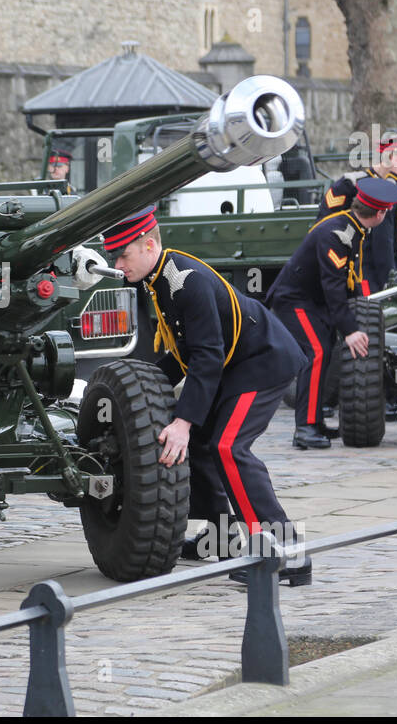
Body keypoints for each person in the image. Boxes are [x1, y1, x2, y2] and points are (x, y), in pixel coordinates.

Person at [104, 206, 311, 585]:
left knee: (228, 447)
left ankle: (288, 552)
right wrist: (138, 384)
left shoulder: (185, 280)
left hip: (263, 362)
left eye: (123, 255)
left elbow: (208, 356)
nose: (117, 265)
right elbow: (185, 353)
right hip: (236, 364)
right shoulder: (161, 279)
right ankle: (225, 537)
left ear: (149, 245)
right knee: (199, 446)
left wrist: (182, 422)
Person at [267, 177, 397, 449]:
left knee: (325, 351)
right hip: (294, 300)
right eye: (385, 212)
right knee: (315, 353)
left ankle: (314, 423)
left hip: (312, 301)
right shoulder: (338, 234)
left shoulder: (351, 228)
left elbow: (346, 282)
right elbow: (334, 286)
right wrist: (351, 330)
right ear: (379, 214)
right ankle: (304, 429)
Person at [316, 134, 397, 419]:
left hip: (392, 275)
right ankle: (325, 400)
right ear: (393, 158)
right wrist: (383, 279)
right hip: (366, 272)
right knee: (363, 334)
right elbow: (372, 240)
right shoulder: (362, 185)